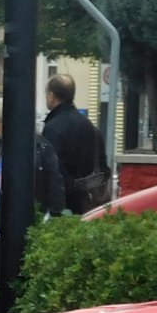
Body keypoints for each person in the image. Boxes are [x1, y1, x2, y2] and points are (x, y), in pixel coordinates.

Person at [0, 97, 65, 313]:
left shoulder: (40, 148)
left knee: (14, 284)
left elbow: (54, 186)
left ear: (3, 122)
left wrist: (54, 218)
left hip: (22, 230)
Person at [41, 74, 108, 213]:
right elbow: (103, 166)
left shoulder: (52, 128)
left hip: (64, 204)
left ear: (52, 96)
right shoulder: (90, 126)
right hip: (90, 201)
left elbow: (53, 169)